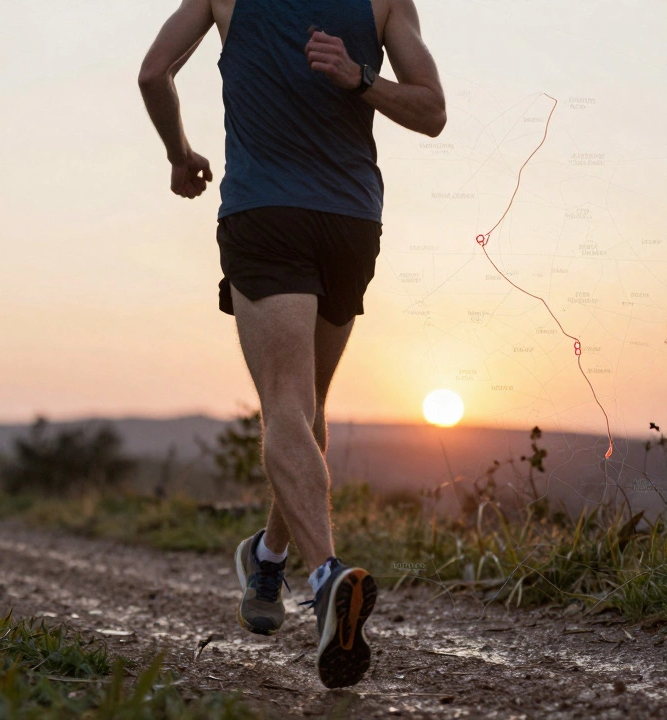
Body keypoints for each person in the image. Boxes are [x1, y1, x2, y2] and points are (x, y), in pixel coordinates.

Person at [138, 0, 444, 688]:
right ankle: (278, 563)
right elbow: (432, 109)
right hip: (350, 221)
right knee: (304, 410)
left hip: (267, 212)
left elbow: (154, 73)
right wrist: (362, 77)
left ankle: (311, 570)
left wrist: (179, 156)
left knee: (287, 405)